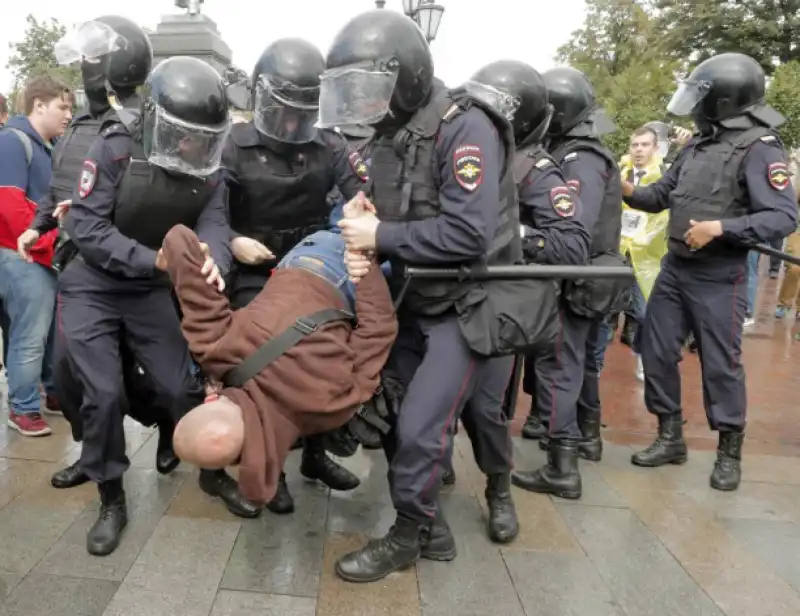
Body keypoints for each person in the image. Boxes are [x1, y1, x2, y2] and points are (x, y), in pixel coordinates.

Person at [319, 9, 528, 582]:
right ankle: (429, 525)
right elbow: (393, 198)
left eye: (369, 88)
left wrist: (380, 235)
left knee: (422, 425)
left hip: (467, 304)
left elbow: (468, 234)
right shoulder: (392, 132)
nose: (363, 103)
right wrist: (366, 211)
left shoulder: (467, 126)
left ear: (402, 75)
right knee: (387, 411)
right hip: (415, 295)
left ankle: (409, 535)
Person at [59, 56, 232, 556]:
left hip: (151, 287)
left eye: (202, 137)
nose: (191, 147)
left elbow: (214, 222)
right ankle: (111, 494)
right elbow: (87, 227)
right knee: (104, 394)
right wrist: (152, 258)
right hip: (95, 282)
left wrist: (214, 259)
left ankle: (208, 468)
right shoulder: (115, 146)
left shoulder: (210, 162)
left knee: (181, 386)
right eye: (183, 135)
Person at [16, 16, 179, 489]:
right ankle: (95, 456)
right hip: (83, 270)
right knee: (75, 380)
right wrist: (38, 224)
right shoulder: (76, 125)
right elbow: (58, 189)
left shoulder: (148, 123)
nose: (85, 67)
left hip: (137, 270)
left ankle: (169, 426)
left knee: (150, 375)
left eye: (93, 57)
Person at [622, 53, 797, 491]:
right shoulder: (698, 143)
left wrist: (722, 227)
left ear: (722, 99)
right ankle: (670, 436)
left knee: (720, 364)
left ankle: (728, 451)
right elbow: (662, 194)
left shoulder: (761, 148)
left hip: (721, 276)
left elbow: (782, 216)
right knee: (655, 349)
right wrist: (625, 189)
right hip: (676, 268)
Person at [211, 38, 369, 519]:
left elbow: (360, 191)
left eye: (303, 112)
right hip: (256, 265)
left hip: (313, 268)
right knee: (265, 369)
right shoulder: (232, 146)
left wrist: (361, 213)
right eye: (284, 111)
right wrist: (234, 239)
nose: (292, 124)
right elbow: (211, 214)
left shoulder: (330, 143)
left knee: (325, 356)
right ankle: (271, 466)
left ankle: (316, 455)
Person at [161, 212, 397, 503]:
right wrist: (200, 258)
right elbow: (179, 238)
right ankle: (314, 461)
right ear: (210, 398)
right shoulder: (213, 346)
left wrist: (365, 264)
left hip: (348, 274)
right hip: (304, 255)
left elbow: (378, 329)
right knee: (370, 213)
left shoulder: (329, 403)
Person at [458, 60, 590, 538]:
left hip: (496, 307)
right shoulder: (458, 147)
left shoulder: (533, 169)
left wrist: (509, 236)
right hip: (442, 296)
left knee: (486, 407)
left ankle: (498, 489)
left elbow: (572, 243)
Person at [512, 67, 624, 498]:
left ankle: (563, 467)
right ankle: (583, 440)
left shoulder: (582, 158)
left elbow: (574, 222)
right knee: (572, 362)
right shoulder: (574, 151)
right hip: (578, 278)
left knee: (559, 365)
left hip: (575, 279)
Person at [0, 75, 73, 437]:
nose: (69, 114)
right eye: (63, 106)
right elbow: (10, 206)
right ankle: (23, 407)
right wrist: (45, 243)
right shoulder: (12, 143)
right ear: (38, 105)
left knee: (46, 335)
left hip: (41, 254)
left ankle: (50, 392)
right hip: (22, 255)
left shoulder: (48, 146)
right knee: (29, 335)